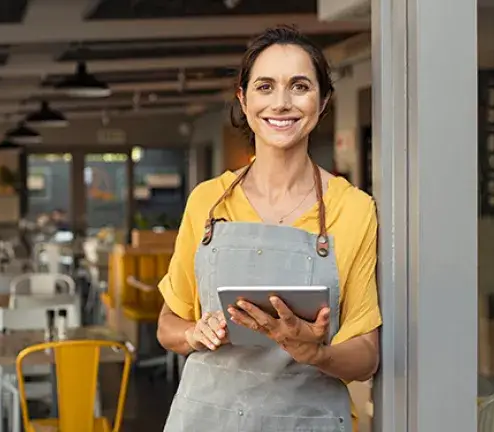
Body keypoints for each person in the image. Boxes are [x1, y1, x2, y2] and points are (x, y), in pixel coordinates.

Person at [157, 26, 381, 431]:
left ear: (323, 100)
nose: (281, 103)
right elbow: (167, 325)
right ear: (244, 100)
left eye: (299, 86)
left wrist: (315, 353)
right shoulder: (208, 201)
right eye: (265, 86)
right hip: (206, 419)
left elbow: (366, 354)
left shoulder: (353, 209)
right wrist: (195, 333)